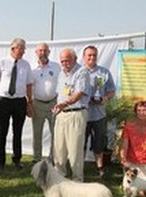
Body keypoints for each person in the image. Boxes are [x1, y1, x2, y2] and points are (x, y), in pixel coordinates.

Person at [0, 38, 33, 172]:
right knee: (2, 132)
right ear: (13, 49)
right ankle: (0, 162)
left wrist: (29, 103)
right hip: (4, 101)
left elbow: (29, 84)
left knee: (17, 132)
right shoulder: (1, 63)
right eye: (21, 48)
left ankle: (17, 159)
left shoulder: (26, 65)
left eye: (24, 49)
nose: (24, 51)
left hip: (19, 101)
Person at [52, 48, 90, 182]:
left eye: (67, 60)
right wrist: (59, 106)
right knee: (59, 148)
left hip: (76, 113)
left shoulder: (82, 72)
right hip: (61, 114)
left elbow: (79, 93)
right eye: (62, 61)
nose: (64, 63)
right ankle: (58, 177)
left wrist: (65, 103)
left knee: (75, 149)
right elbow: (60, 94)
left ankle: (77, 180)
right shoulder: (61, 74)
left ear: (74, 59)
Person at [83, 45, 116, 177]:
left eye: (94, 55)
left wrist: (104, 98)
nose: (92, 57)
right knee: (81, 144)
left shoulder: (104, 72)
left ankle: (100, 167)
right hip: (83, 115)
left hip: (99, 115)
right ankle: (79, 167)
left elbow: (112, 91)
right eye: (89, 55)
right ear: (84, 57)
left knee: (99, 144)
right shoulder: (79, 72)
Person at [31, 42, 60, 163]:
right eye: (40, 51)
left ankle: (52, 157)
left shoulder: (56, 67)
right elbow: (29, 87)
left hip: (54, 103)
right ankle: (36, 158)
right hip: (37, 104)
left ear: (49, 52)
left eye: (45, 50)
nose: (42, 53)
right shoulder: (32, 69)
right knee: (37, 133)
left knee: (56, 133)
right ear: (36, 53)